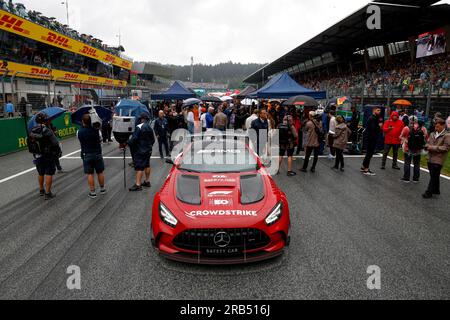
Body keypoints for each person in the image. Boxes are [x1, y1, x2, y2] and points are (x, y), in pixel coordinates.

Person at [29, 113, 61, 200]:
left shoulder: (32, 130)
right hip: (48, 154)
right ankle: (47, 193)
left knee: (40, 173)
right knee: (49, 173)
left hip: (37, 155)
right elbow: (55, 143)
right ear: (45, 120)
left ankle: (41, 190)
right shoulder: (47, 130)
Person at [77, 114, 106, 199]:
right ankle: (102, 189)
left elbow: (80, 140)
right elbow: (100, 139)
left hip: (87, 153)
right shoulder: (97, 130)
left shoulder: (79, 131)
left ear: (83, 121)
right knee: (100, 172)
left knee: (90, 173)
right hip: (97, 152)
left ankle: (93, 192)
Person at [422, 118, 450, 199]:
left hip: (439, 159)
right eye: (435, 126)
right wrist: (426, 146)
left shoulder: (447, 135)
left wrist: (432, 148)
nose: (436, 128)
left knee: (433, 175)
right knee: (434, 175)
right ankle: (436, 190)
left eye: (438, 126)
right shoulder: (432, 134)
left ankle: (428, 192)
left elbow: (446, 148)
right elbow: (428, 142)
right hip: (430, 157)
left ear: (443, 126)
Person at [127, 114, 155, 192]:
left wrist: (127, 143)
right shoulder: (149, 127)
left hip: (140, 150)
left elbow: (134, 139)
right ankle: (147, 181)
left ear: (142, 119)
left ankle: (138, 185)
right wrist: (149, 146)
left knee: (139, 167)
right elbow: (153, 140)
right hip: (148, 149)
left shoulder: (139, 127)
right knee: (147, 165)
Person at [400, 116, 428, 183]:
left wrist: (406, 141)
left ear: (409, 120)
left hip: (407, 148)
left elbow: (401, 136)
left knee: (407, 163)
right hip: (418, 149)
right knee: (417, 163)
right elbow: (426, 137)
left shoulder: (406, 128)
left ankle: (406, 178)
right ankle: (416, 178)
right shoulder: (423, 128)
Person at [361, 107, 382, 176]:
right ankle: (366, 169)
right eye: (378, 110)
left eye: (380, 110)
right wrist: (379, 126)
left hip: (371, 138)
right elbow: (373, 128)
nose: (379, 112)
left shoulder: (375, 118)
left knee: (368, 154)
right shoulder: (373, 118)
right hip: (371, 138)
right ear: (374, 111)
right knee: (369, 154)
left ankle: (363, 166)